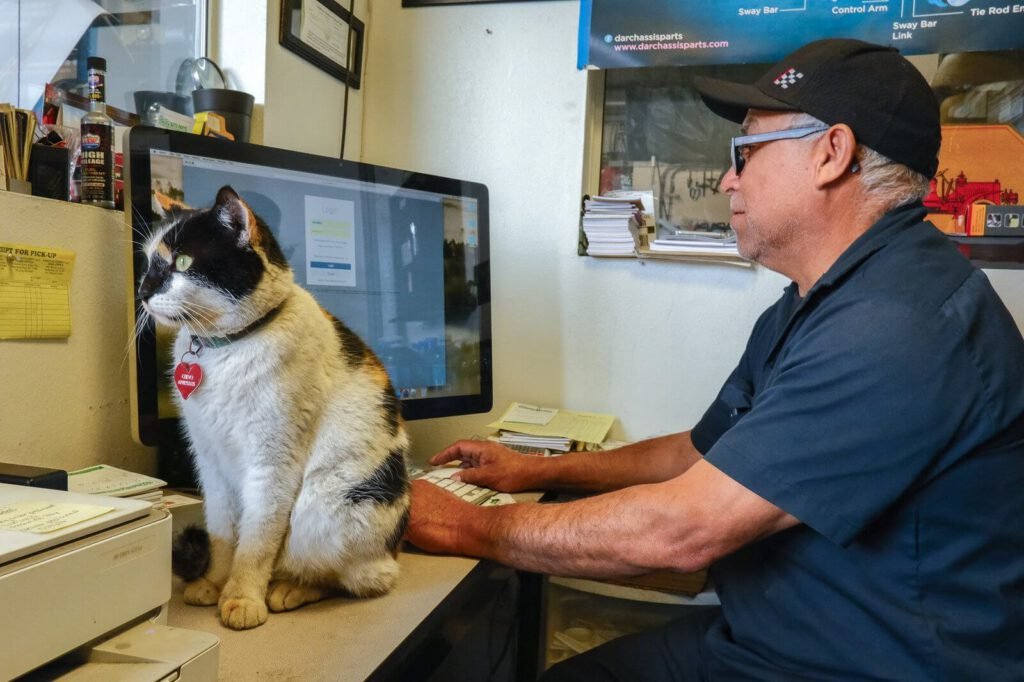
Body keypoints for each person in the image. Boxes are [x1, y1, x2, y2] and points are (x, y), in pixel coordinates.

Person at [407, 38, 1024, 681]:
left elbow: (681, 531)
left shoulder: (899, 327)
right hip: (777, 635)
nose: (729, 178)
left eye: (747, 151)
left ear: (831, 153)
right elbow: (703, 455)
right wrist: (538, 468)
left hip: (863, 667)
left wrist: (466, 526)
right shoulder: (828, 298)